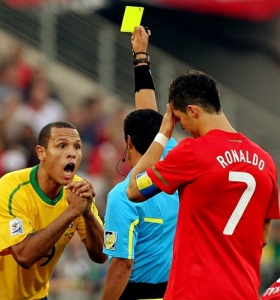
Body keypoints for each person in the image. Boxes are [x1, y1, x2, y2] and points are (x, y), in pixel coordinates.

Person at [125, 62, 279, 297]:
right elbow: (264, 236)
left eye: (178, 119)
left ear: (192, 111)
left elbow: (134, 189)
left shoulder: (193, 153)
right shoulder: (265, 160)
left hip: (194, 291)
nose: (183, 128)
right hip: (243, 291)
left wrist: (163, 133)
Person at [0, 120, 106, 300]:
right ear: (41, 152)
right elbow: (24, 255)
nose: (71, 153)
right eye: (61, 146)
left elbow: (101, 255)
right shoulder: (11, 189)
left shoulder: (77, 191)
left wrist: (88, 213)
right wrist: (72, 213)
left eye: (77, 147)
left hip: (36, 296)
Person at [101, 26, 179, 300]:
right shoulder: (173, 161)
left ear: (128, 142)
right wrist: (140, 55)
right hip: (174, 291)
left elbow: (123, 263)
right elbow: (148, 111)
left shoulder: (122, 197)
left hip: (136, 293)